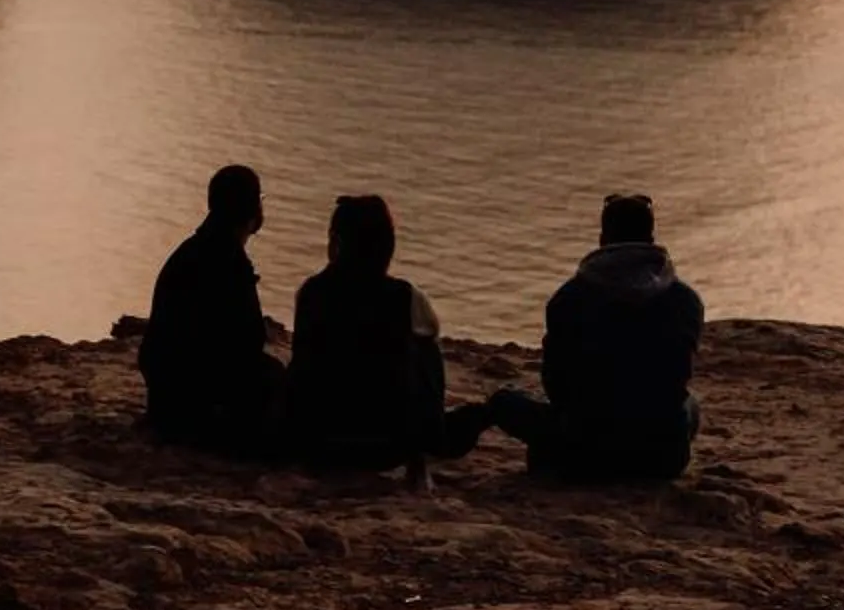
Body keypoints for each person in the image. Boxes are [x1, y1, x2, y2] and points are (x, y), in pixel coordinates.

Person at [486, 193, 705, 480]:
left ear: (603, 239)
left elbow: (556, 386)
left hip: (583, 450)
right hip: (662, 457)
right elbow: (679, 377)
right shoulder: (685, 300)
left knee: (504, 401)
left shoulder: (568, 299)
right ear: (651, 239)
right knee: (691, 405)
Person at [286, 194, 490, 478]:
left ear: (337, 242)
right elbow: (431, 331)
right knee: (426, 349)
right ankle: (434, 432)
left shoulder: (310, 292)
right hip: (387, 443)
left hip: (318, 437)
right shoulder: (405, 297)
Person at [138, 164, 285, 454]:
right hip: (196, 398)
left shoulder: (189, 252)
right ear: (254, 210)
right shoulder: (229, 262)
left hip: (165, 393)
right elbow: (249, 341)